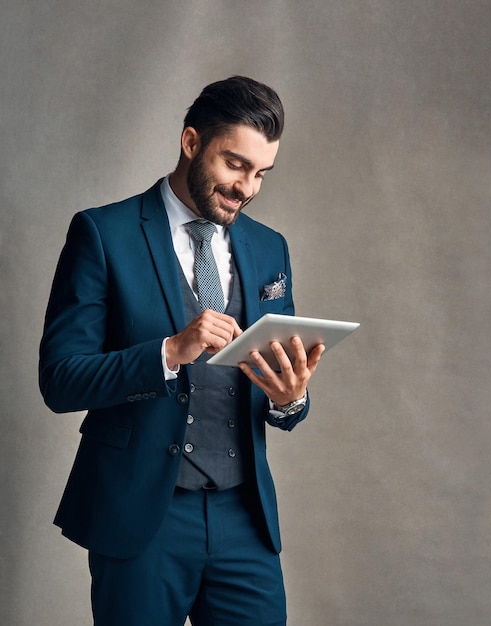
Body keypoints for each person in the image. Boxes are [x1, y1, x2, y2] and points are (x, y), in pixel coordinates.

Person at [39, 75, 324, 626]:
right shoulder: (104, 233)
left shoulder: (269, 247)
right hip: (143, 514)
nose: (248, 188)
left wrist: (290, 399)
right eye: (235, 165)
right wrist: (169, 351)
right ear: (191, 143)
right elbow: (60, 379)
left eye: (262, 173)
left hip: (245, 516)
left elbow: (280, 384)